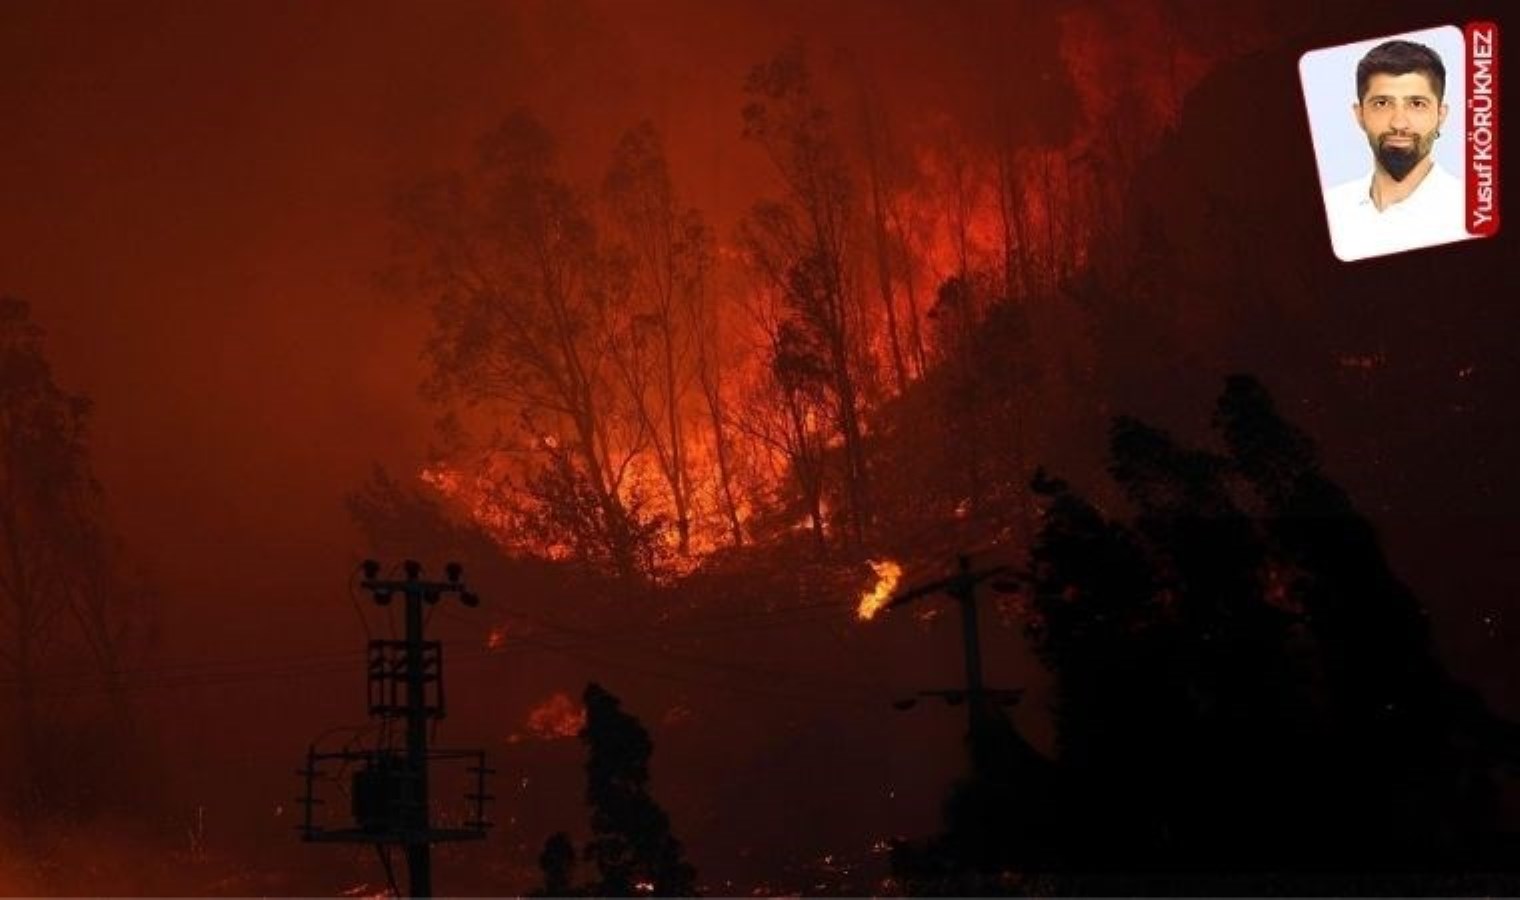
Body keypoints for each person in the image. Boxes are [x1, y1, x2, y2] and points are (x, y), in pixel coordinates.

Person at [1323, 39, 1467, 261]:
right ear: (1359, 115)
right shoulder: (1330, 209)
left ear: (1441, 115)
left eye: (1417, 104)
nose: (1399, 123)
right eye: (1382, 103)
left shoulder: (1470, 214)